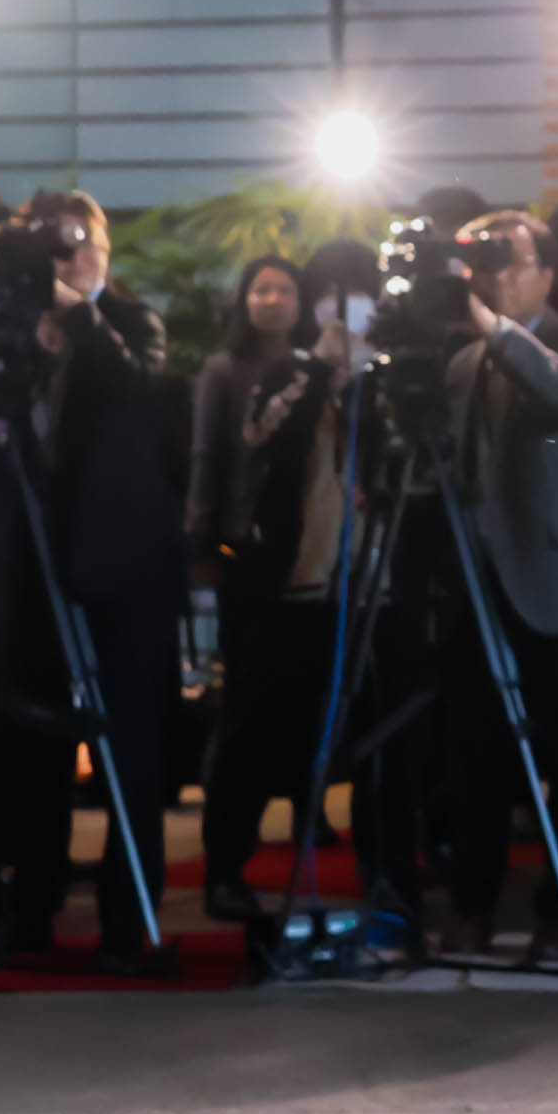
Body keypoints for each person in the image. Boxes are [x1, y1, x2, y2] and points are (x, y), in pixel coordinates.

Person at [0, 188, 188, 964]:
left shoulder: (131, 324)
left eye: (87, 242)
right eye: (57, 246)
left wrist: (78, 314)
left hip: (122, 569)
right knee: (32, 746)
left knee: (130, 744)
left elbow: (139, 395)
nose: (76, 257)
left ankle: (129, 921)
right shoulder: (6, 332)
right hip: (29, 561)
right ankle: (30, 911)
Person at [436, 211, 558, 963]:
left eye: (507, 259)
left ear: (546, 273)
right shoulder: (460, 363)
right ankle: (472, 904)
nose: (491, 274)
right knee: (472, 761)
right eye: (481, 261)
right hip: (484, 581)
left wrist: (500, 334)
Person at [186, 255, 348, 925]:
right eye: (260, 287)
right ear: (244, 298)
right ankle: (224, 862)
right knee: (245, 713)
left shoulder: (325, 369)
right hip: (248, 557)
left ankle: (302, 820)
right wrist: (201, 543)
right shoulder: (224, 372)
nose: (272, 299)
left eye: (283, 288)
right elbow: (206, 459)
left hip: (315, 563)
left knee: (301, 705)